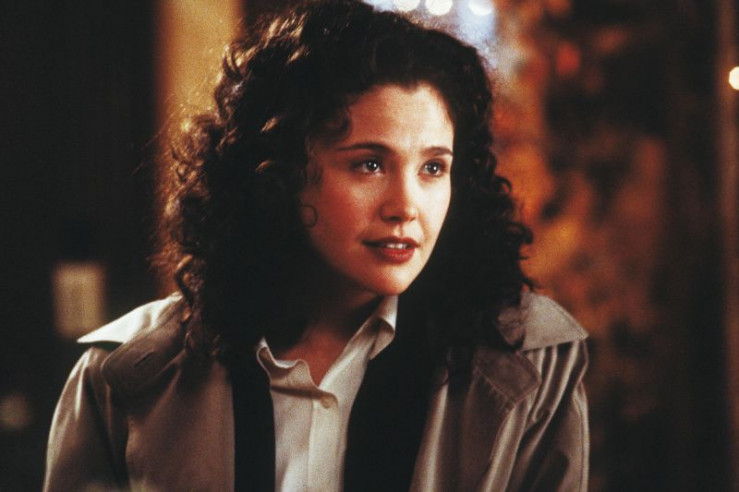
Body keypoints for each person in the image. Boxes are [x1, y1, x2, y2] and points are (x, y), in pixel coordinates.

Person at [44, 0, 589, 490]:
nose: (406, 206)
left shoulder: (530, 365)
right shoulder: (124, 377)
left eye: (432, 168)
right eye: (369, 164)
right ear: (279, 173)